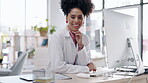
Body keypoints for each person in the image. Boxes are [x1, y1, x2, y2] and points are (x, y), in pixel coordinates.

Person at [47, 0, 96, 73]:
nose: (76, 21)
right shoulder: (57, 37)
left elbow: (85, 63)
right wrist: (86, 68)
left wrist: (80, 46)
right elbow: (58, 67)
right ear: (67, 18)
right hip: (57, 79)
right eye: (73, 17)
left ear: (83, 20)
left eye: (80, 17)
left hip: (75, 78)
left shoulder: (85, 38)